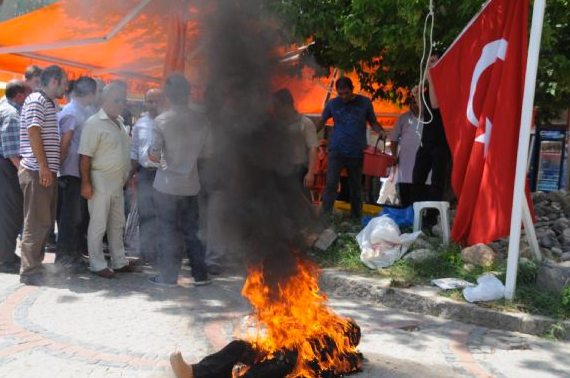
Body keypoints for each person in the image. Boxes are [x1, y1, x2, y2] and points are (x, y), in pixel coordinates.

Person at [148, 74, 211, 287]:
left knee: (167, 231)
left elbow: (154, 155)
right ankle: (200, 274)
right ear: (188, 93)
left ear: (168, 95)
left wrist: (166, 164)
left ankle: (167, 277)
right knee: (193, 230)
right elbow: (206, 152)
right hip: (191, 184)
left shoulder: (161, 120)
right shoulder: (201, 120)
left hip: (165, 185)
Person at [78, 82, 141, 278]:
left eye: (123, 100)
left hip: (117, 182)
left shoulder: (120, 122)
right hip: (100, 180)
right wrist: (86, 183)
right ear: (104, 100)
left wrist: (128, 179)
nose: (121, 103)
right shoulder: (94, 123)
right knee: (98, 224)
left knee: (117, 223)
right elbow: (85, 156)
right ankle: (97, 264)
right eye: (117, 100)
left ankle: (120, 261)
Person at [18, 65, 67, 285]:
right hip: (37, 171)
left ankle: (35, 267)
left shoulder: (47, 102)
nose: (66, 87)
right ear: (55, 81)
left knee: (43, 222)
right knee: (36, 222)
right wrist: (44, 166)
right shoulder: (37, 100)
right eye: (64, 82)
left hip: (43, 171)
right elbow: (33, 131)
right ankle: (30, 271)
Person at [315, 77, 386, 220]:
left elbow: (373, 122)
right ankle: (324, 218)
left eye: (346, 93)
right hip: (336, 150)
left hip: (357, 152)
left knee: (356, 187)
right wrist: (310, 136)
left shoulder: (365, 102)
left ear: (352, 89)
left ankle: (355, 218)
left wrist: (381, 131)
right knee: (330, 185)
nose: (344, 97)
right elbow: (321, 122)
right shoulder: (332, 104)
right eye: (340, 94)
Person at [55, 76, 97, 272]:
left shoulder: (81, 111)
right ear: (90, 93)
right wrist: (59, 168)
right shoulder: (72, 112)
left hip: (77, 170)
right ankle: (64, 259)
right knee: (70, 217)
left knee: (76, 216)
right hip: (70, 170)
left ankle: (72, 254)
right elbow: (65, 144)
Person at [411, 55, 452, 229]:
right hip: (427, 140)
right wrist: (417, 96)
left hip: (442, 141)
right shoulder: (430, 87)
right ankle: (418, 214)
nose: (429, 65)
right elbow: (424, 114)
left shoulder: (445, 85)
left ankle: (431, 219)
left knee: (437, 181)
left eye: (433, 62)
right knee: (417, 177)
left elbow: (436, 105)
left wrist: (431, 79)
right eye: (428, 62)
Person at [129, 88, 164, 265]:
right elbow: (134, 151)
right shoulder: (140, 124)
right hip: (145, 174)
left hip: (164, 175)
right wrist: (129, 175)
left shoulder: (169, 122)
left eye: (157, 101)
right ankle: (146, 253)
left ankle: (163, 254)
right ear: (145, 102)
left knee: (164, 214)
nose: (153, 105)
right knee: (145, 215)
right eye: (150, 101)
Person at [0, 80, 31, 273]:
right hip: (7, 168)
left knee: (6, 213)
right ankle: (6, 258)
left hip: (4, 167)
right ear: (19, 96)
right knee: (10, 213)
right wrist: (25, 174)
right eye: (26, 96)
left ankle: (5, 254)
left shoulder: (4, 107)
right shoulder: (12, 114)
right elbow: (12, 154)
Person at [272, 88, 318, 201]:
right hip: (280, 168)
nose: (275, 110)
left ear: (286, 105)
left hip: (298, 170)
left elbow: (313, 148)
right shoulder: (276, 124)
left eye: (277, 107)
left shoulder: (305, 123)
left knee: (301, 202)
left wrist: (310, 173)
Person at [388, 86, 423, 207]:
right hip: (405, 166)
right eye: (412, 103)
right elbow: (393, 139)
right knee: (406, 199)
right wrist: (393, 156)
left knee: (421, 199)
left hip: (425, 168)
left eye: (417, 102)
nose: (415, 105)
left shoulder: (430, 119)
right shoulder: (403, 118)